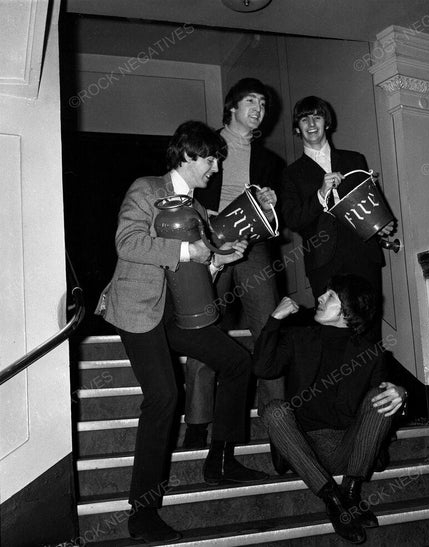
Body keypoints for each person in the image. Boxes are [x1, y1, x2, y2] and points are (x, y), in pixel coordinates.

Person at [96, 121, 268, 544]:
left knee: (236, 361)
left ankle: (221, 459)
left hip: (178, 313)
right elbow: (127, 243)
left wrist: (222, 257)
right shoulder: (147, 189)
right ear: (188, 155)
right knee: (164, 396)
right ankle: (143, 509)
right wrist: (185, 249)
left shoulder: (202, 210)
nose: (214, 167)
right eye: (210, 158)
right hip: (139, 308)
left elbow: (201, 267)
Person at [253, 274, 407, 544]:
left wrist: (401, 394)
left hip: (349, 448)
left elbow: (381, 406)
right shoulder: (298, 337)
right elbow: (263, 368)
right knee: (274, 410)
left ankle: (351, 491)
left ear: (348, 310)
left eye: (331, 296)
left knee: (383, 394)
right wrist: (274, 320)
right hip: (302, 447)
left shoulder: (372, 353)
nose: (320, 298)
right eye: (324, 293)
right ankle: (334, 501)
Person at [183, 78, 283, 448]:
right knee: (204, 329)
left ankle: (278, 428)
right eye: (251, 101)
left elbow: (275, 218)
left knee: (270, 331)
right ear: (232, 107)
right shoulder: (205, 143)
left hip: (253, 247)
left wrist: (272, 201)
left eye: (263, 104)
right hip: (209, 243)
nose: (258, 109)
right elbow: (181, 189)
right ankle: (196, 422)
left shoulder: (271, 161)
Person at [281, 95, 394, 302]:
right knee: (334, 330)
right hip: (323, 261)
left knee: (368, 326)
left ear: (327, 123)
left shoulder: (355, 159)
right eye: (304, 119)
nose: (312, 124)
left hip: (363, 254)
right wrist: (320, 194)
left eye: (317, 117)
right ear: (297, 128)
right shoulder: (290, 174)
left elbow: (371, 201)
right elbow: (293, 220)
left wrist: (382, 221)